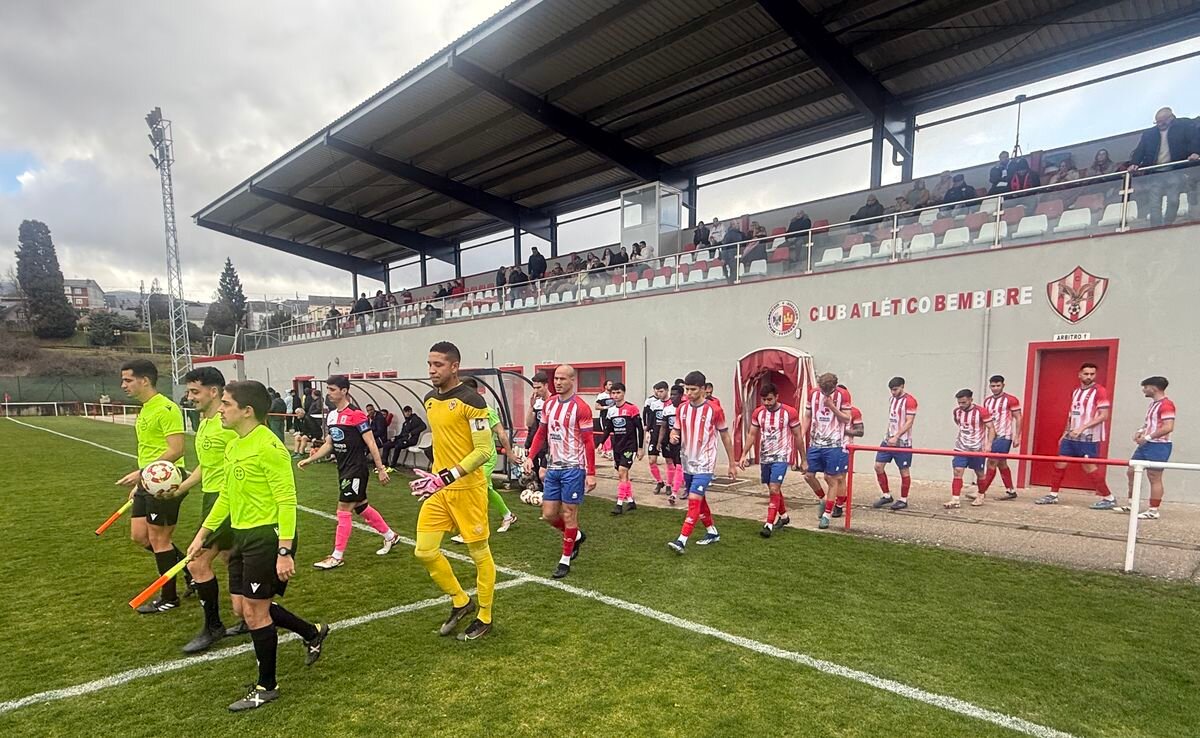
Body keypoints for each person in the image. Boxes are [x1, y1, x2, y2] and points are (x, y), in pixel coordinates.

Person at [186, 380, 329, 712]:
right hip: (241, 535)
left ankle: (267, 686)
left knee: (255, 612)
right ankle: (312, 632)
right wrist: (201, 536)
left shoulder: (269, 447)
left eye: (226, 403)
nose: (220, 409)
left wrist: (284, 550)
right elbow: (225, 497)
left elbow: (287, 501)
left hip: (267, 538)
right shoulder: (235, 445)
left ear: (246, 411)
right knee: (243, 609)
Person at [407, 342, 498, 641]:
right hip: (439, 488)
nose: (432, 370)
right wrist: (437, 474)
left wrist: (450, 474)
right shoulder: (429, 399)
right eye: (429, 364)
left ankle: (484, 616)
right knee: (424, 550)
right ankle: (461, 601)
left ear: (454, 366)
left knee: (478, 554)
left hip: (467, 489)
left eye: (438, 365)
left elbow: (484, 450)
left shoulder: (473, 401)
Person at [174, 366, 245, 653]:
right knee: (229, 557)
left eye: (195, 391)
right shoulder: (204, 422)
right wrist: (180, 487)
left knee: (197, 563)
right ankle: (246, 617)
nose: (190, 397)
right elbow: (207, 466)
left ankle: (213, 626)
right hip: (210, 496)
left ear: (213, 391)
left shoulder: (229, 425)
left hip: (225, 500)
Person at [299, 375, 400, 569]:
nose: (328, 393)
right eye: (328, 389)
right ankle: (390, 536)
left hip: (356, 469)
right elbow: (330, 443)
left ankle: (337, 556)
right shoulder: (332, 415)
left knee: (343, 510)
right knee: (361, 507)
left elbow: (370, 442)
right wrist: (311, 459)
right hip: (343, 469)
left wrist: (380, 469)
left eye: (332, 389)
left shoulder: (357, 414)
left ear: (344, 391)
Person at [115, 359, 189, 614]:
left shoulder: (166, 408)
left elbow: (177, 449)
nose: (123, 385)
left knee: (160, 540)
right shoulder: (145, 408)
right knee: (140, 536)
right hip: (148, 480)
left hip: (165, 481)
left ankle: (169, 597)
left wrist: (142, 473)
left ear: (144, 380)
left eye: (127, 380)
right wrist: (142, 480)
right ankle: (188, 569)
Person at [524, 364, 596, 579]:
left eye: (563, 378)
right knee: (548, 515)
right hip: (553, 467)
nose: (558, 382)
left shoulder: (581, 407)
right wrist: (530, 457)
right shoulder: (549, 404)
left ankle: (565, 560)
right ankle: (576, 536)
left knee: (569, 513)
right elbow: (540, 433)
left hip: (574, 468)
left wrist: (591, 472)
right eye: (556, 378)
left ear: (572, 381)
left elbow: (589, 442)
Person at [666, 371, 737, 554]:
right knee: (699, 499)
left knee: (693, 499)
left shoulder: (715, 410)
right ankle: (712, 532)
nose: (689, 393)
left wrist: (732, 463)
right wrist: (673, 436)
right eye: (686, 389)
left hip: (705, 462)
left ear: (704, 389)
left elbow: (725, 437)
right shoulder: (681, 408)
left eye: (693, 389)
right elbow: (675, 429)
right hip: (687, 460)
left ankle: (682, 540)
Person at [1035, 363, 1113, 508]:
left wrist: (1082, 427)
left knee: (1089, 467)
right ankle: (1053, 495)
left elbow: (1104, 415)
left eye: (1092, 374)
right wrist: (1065, 432)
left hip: (1088, 437)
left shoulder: (1100, 391)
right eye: (1086, 373)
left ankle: (1108, 497)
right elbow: (1071, 414)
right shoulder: (1076, 391)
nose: (1089, 376)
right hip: (1071, 436)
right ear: (1079, 374)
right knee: (1060, 462)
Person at [450, 378, 518, 539]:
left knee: (475, 490)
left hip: (485, 458)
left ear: (473, 392)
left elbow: (501, 432)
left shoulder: (486, 410)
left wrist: (509, 453)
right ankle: (508, 515)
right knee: (485, 489)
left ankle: (470, 529)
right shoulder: (463, 410)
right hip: (470, 458)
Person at [739, 383, 804, 538]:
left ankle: (768, 524)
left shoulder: (790, 412)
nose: (767, 403)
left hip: (781, 455)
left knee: (774, 488)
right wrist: (743, 454)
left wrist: (804, 459)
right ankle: (784, 516)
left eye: (769, 399)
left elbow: (798, 436)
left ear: (777, 397)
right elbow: (752, 434)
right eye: (764, 400)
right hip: (765, 456)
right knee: (772, 489)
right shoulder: (758, 413)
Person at [1128, 107, 1200, 225]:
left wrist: (1195, 152)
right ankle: (1156, 228)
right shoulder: (1149, 134)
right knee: (1154, 204)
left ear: (1171, 118)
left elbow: (1195, 139)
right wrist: (1134, 163)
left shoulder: (1184, 126)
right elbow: (1140, 150)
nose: (1160, 124)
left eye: (1163, 121)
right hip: (1155, 173)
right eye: (1157, 122)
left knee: (1173, 200)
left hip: (1175, 170)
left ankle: (1168, 223)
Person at [1120, 376, 1176, 519]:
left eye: (1145, 387)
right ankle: (1132, 504)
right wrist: (1140, 431)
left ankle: (1153, 510)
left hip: (1159, 446)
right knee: (1131, 471)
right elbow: (1149, 423)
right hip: (1147, 444)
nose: (1143, 390)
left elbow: (1168, 427)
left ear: (1154, 388)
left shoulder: (1166, 405)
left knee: (1154, 477)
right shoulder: (1153, 404)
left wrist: (1148, 437)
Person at [804, 373, 853, 531]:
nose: (825, 392)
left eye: (828, 390)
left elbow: (847, 419)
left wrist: (832, 407)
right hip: (815, 442)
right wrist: (800, 435)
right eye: (822, 389)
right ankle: (822, 498)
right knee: (808, 475)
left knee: (831, 479)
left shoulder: (843, 395)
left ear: (834, 386)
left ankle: (827, 515)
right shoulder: (813, 394)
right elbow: (807, 415)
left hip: (834, 444)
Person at [596, 382, 645, 515]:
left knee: (622, 472)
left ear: (623, 393)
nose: (616, 395)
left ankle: (619, 504)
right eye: (613, 393)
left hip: (630, 446)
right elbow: (608, 429)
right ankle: (630, 501)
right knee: (623, 474)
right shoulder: (611, 411)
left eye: (618, 392)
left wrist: (640, 448)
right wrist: (601, 443)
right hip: (617, 446)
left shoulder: (632, 408)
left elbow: (639, 429)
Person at [872, 377, 918, 511]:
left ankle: (903, 499)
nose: (893, 392)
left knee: (904, 470)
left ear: (902, 387)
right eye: (891, 390)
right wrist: (888, 435)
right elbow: (892, 419)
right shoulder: (892, 399)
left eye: (895, 389)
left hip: (903, 443)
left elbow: (909, 422)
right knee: (878, 466)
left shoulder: (910, 401)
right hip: (888, 440)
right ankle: (886, 495)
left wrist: (897, 436)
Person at [945, 390, 996, 508]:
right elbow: (959, 424)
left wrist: (988, 444)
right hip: (961, 447)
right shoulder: (957, 412)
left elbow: (991, 428)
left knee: (979, 474)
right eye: (959, 403)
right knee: (957, 471)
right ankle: (955, 499)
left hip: (977, 448)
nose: (961, 405)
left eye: (964, 402)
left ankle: (981, 495)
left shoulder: (981, 412)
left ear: (970, 400)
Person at [980, 375, 1022, 501]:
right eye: (993, 386)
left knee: (992, 462)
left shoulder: (1011, 400)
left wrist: (1017, 436)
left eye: (998, 385)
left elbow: (1018, 417)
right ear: (990, 386)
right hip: (992, 436)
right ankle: (1011, 490)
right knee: (1001, 463)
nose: (995, 388)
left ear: (1003, 385)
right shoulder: (987, 401)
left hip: (1004, 435)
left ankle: (981, 491)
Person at [657, 384, 686, 504]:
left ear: (681, 395)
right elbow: (663, 427)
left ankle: (674, 493)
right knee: (675, 465)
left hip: (684, 442)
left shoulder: (685, 408)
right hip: (672, 441)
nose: (672, 397)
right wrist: (659, 441)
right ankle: (684, 485)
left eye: (675, 395)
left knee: (679, 466)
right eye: (672, 394)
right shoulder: (667, 409)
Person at [524, 372, 551, 490]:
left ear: (546, 386)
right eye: (534, 388)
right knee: (539, 471)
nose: (536, 391)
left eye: (538, 387)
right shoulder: (538, 403)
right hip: (539, 441)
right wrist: (531, 406)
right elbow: (529, 423)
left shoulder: (553, 401)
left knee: (543, 472)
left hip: (551, 443)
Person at [643, 381, 670, 495]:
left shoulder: (672, 404)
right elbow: (650, 419)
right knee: (651, 460)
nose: (659, 394)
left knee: (669, 461)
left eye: (661, 391)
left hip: (667, 435)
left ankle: (669, 484)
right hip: (655, 434)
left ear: (667, 390)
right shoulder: (654, 404)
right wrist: (647, 431)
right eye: (657, 391)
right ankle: (659, 481)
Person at [594, 379, 615, 459]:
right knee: (606, 432)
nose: (611, 386)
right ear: (605, 386)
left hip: (613, 417)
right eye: (609, 384)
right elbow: (596, 407)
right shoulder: (601, 396)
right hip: (604, 417)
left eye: (612, 384)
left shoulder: (614, 395)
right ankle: (608, 450)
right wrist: (605, 407)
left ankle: (605, 450)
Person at [720, 219, 743, 284]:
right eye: (737, 223)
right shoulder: (729, 234)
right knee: (733, 270)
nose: (738, 225)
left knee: (735, 270)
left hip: (737, 255)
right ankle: (731, 283)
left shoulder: (739, 234)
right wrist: (723, 258)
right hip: (731, 256)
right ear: (732, 225)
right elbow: (725, 246)